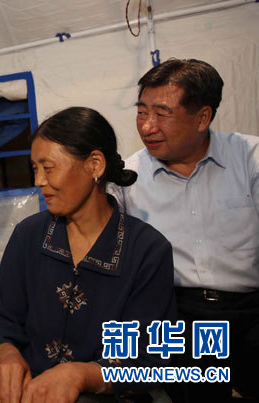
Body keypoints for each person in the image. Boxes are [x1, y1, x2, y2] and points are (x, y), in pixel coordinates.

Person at [0, 107, 177, 403]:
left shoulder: (147, 250)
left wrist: (81, 375)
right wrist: (7, 357)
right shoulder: (29, 235)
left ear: (94, 165)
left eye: (48, 168)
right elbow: (5, 320)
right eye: (35, 168)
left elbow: (149, 359)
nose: (39, 180)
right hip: (28, 387)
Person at [113, 58, 259, 402]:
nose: (147, 126)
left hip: (252, 308)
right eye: (141, 112)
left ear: (202, 117)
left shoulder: (250, 158)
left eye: (161, 114)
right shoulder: (127, 179)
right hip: (178, 316)